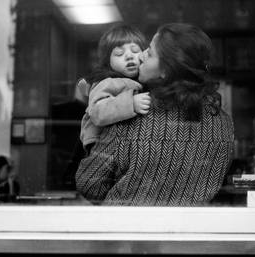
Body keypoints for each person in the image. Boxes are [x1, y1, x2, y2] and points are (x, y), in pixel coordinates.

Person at [75, 23, 235, 206]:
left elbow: (90, 183)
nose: (140, 56)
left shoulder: (133, 114)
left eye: (149, 53)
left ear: (166, 71)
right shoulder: (224, 124)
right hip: (189, 229)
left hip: (129, 228)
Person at [76, 24, 151, 154]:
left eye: (135, 51)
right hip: (100, 144)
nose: (129, 56)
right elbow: (97, 111)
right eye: (119, 53)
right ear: (108, 61)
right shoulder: (107, 82)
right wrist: (131, 103)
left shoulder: (142, 80)